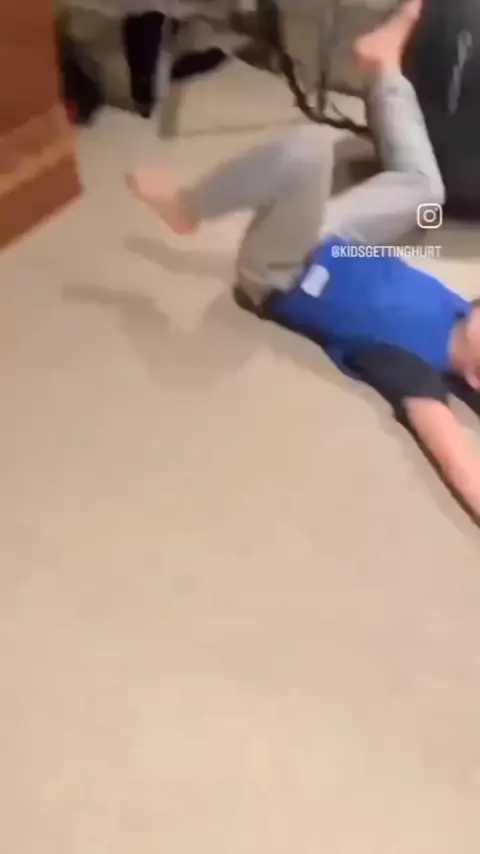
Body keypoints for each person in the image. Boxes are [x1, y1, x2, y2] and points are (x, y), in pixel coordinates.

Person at [127, 0, 480, 523]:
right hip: (342, 240)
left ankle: (187, 208)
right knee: (424, 188)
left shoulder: (413, 367)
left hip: (283, 271)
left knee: (309, 150)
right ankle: (381, 63)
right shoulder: (459, 311)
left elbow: (457, 458)